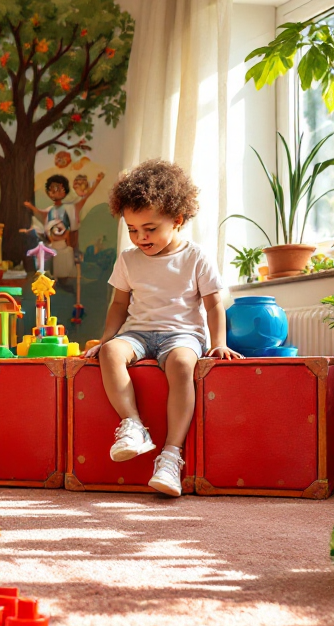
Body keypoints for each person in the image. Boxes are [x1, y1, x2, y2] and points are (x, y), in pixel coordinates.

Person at [84, 160, 240, 496]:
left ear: (178, 220)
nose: (141, 238)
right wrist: (106, 339)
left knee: (183, 364)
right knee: (110, 352)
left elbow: (214, 304)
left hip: (182, 334)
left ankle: (170, 456)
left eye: (150, 229)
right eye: (133, 230)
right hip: (138, 332)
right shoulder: (128, 259)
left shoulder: (196, 257)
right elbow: (119, 305)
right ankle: (133, 425)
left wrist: (219, 343)